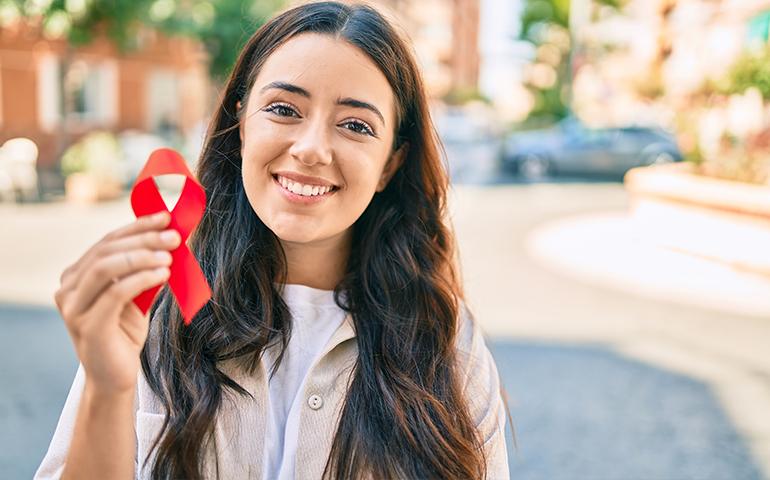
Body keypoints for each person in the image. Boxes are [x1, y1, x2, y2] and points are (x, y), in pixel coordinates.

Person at [35, 2, 511, 479]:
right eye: (283, 109)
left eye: (356, 125)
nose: (310, 148)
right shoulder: (153, 312)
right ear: (241, 125)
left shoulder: (446, 342)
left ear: (390, 163)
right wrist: (107, 386)